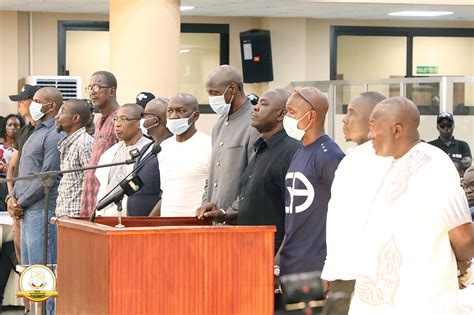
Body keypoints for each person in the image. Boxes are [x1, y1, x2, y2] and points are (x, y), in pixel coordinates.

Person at [349, 97, 474, 315]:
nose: (370, 136)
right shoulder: (388, 164)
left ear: (396, 130)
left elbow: (463, 235)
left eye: (374, 128)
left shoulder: (435, 164)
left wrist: (462, 264)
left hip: (419, 302)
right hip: (378, 302)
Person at [196, 88, 300, 255]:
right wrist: (225, 215)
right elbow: (259, 208)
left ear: (281, 114)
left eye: (263, 104)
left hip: (272, 255)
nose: (255, 108)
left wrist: (279, 261)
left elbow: (296, 217)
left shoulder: (292, 152)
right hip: (249, 251)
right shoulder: (261, 148)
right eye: (257, 103)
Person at [321, 92, 390, 311]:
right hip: (342, 272)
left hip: (360, 276)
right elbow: (340, 221)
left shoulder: (380, 161)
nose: (344, 119)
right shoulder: (353, 158)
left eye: (352, 113)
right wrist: (329, 269)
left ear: (373, 122)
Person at [7, 87, 64, 315]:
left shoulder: (54, 135)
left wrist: (21, 201)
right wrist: (11, 198)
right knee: (29, 270)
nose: (33, 104)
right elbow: (22, 173)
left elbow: (48, 177)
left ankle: (48, 312)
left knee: (43, 270)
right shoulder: (33, 131)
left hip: (41, 210)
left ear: (50, 107)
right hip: (26, 209)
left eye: (38, 101)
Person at [278, 87, 345, 277]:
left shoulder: (329, 155)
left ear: (311, 116)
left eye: (292, 112)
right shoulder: (299, 152)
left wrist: (330, 267)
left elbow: (343, 213)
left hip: (314, 265)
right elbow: (292, 212)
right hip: (290, 259)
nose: (287, 118)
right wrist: (280, 254)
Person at [202, 65, 259, 213]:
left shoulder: (255, 123)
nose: (212, 99)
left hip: (237, 222)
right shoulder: (218, 125)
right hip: (214, 222)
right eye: (209, 94)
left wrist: (230, 213)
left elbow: (255, 178)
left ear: (233, 88)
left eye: (215, 93)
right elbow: (212, 174)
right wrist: (206, 204)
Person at [158, 93, 211, 217]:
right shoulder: (164, 147)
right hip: (166, 223)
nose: (173, 116)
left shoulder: (209, 145)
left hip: (196, 224)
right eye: (169, 111)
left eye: (180, 111)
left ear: (195, 116)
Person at [95, 104, 151, 216]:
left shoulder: (149, 151)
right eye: (116, 119)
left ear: (139, 123)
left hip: (131, 216)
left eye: (124, 119)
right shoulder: (110, 152)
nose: (117, 125)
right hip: (104, 217)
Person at [80, 71, 120, 216]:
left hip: (108, 199)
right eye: (89, 88)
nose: (92, 92)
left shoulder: (120, 119)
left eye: (96, 87)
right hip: (91, 195)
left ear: (112, 91)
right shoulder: (99, 120)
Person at [128, 97, 171, 217]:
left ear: (155, 120)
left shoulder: (171, 149)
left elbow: (168, 193)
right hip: (135, 220)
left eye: (144, 115)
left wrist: (151, 220)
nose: (141, 119)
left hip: (152, 224)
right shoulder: (147, 147)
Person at [55, 99, 94, 217]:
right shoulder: (69, 143)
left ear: (75, 118)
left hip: (77, 216)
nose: (57, 116)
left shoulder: (85, 144)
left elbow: (92, 183)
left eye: (62, 112)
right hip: (64, 214)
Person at [0, 114, 24, 211]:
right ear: (4, 127)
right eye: (9, 125)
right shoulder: (0, 145)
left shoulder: (25, 144)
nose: (13, 128)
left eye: (16, 125)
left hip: (18, 181)